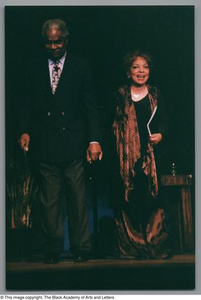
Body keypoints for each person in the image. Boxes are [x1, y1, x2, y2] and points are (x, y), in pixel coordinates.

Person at [18, 19, 102, 263]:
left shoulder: (81, 66)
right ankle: (53, 249)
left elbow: (90, 107)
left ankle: (81, 248)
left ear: (67, 40)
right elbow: (24, 103)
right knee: (49, 200)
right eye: (48, 42)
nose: (53, 46)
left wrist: (94, 140)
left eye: (58, 41)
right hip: (45, 142)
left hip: (74, 141)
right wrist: (24, 130)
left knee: (77, 197)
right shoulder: (32, 66)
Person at [105, 49, 171, 259]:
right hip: (125, 159)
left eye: (145, 67)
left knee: (151, 200)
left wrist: (161, 134)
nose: (141, 71)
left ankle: (154, 246)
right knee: (128, 200)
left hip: (151, 156)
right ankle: (132, 247)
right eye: (136, 67)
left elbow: (165, 119)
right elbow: (107, 123)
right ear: (128, 72)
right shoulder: (118, 95)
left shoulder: (156, 94)